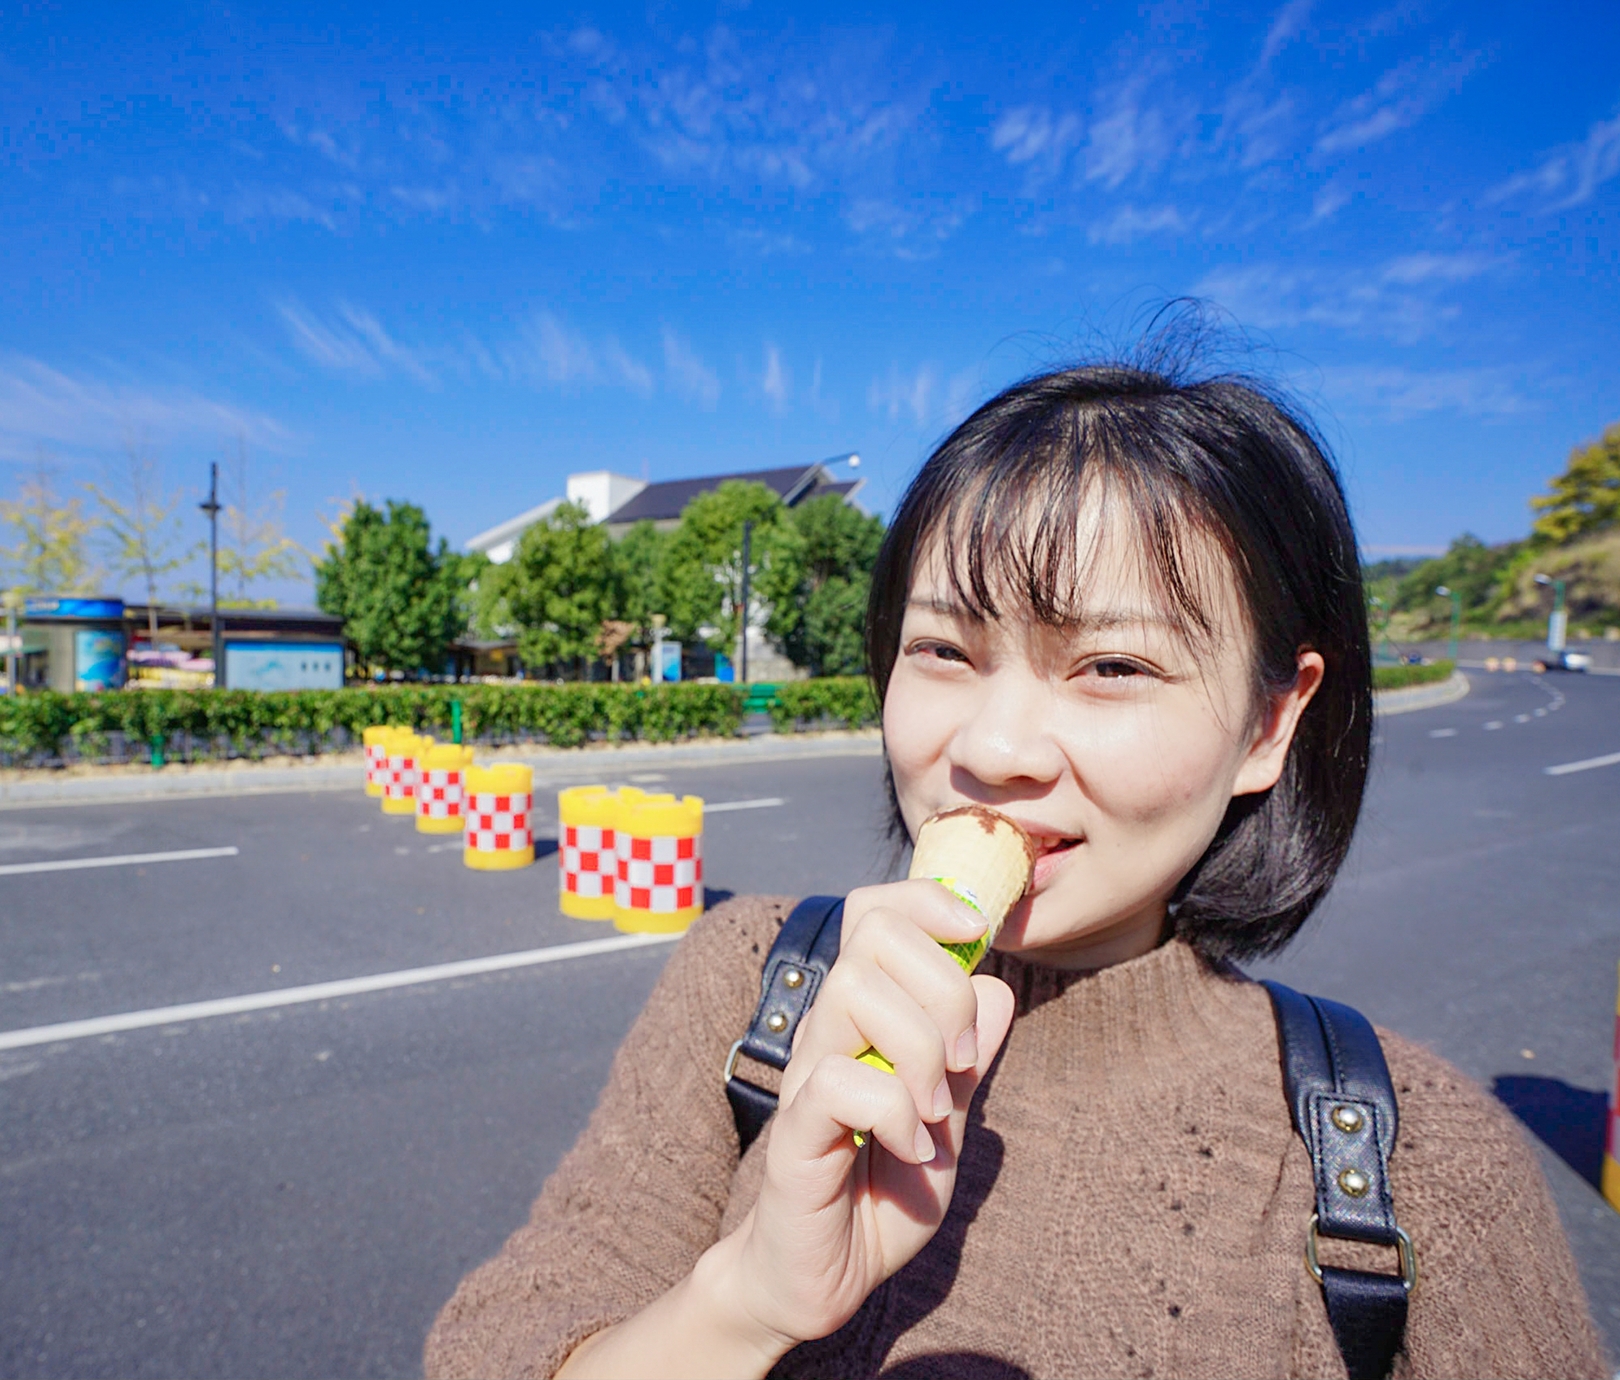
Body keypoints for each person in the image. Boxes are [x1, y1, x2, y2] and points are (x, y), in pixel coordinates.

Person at [425, 361, 1606, 1379]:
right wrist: (742, 1304)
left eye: (1110, 668)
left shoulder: (1423, 1168)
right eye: (943, 648)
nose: (988, 749)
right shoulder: (752, 984)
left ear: (1269, 724)